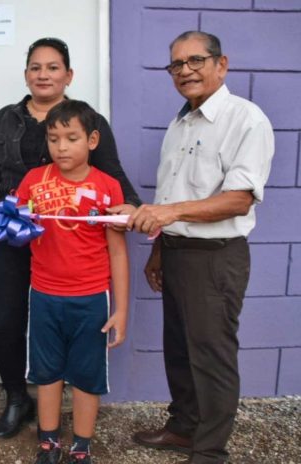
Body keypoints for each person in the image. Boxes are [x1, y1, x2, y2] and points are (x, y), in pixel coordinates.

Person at [0, 36, 140, 438]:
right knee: (4, 320)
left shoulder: (88, 120)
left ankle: (71, 410)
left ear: (68, 75)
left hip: (66, 245)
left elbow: (112, 174)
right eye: (36, 67)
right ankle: (18, 397)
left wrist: (132, 208)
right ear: (26, 74)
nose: (43, 74)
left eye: (53, 67)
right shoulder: (4, 118)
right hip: (16, 236)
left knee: (60, 325)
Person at [129, 31, 274, 464]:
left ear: (221, 64)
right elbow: (173, 195)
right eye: (176, 64)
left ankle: (210, 450)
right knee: (179, 346)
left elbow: (238, 198)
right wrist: (159, 249)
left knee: (211, 354)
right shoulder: (181, 123)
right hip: (176, 252)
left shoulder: (245, 120)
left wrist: (169, 215)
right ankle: (183, 428)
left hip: (215, 258)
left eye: (195, 60)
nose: (185, 70)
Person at [16, 100, 129, 464]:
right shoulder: (34, 181)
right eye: (53, 139)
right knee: (47, 374)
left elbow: (117, 253)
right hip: (45, 295)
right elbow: (15, 232)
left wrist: (122, 309)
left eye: (71, 137)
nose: (61, 147)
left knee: (86, 376)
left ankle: (81, 446)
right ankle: (48, 442)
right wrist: (11, 221)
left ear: (92, 140)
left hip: (92, 299)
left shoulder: (108, 187)